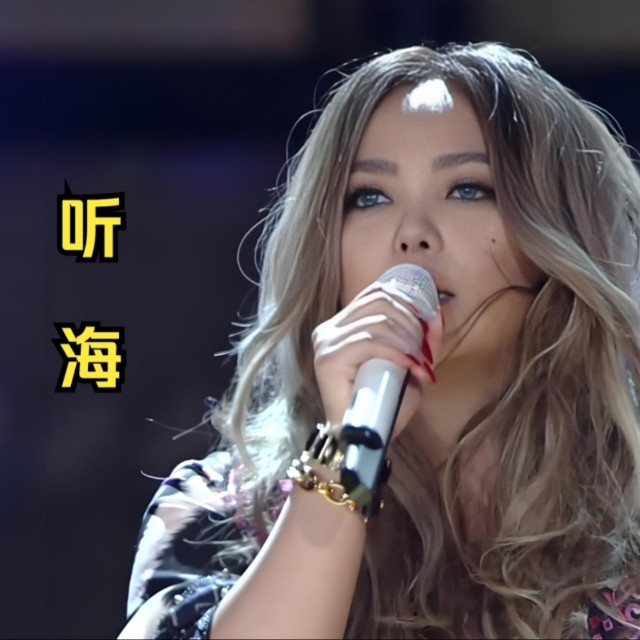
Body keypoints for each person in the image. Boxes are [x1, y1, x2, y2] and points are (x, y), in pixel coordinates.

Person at [118, 42, 640, 639]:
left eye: (469, 189)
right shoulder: (221, 514)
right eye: (369, 197)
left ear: (561, 229)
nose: (412, 234)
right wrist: (347, 457)